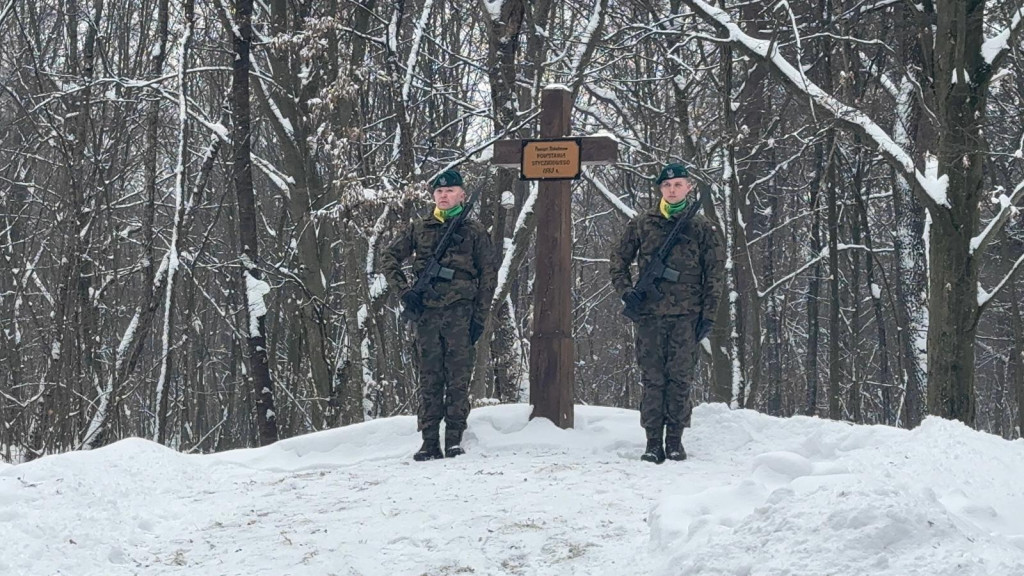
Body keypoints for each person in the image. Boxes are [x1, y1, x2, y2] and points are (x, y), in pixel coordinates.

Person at [609, 162, 726, 463]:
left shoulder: (702, 227)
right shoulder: (642, 223)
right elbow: (618, 261)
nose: (672, 190)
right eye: (666, 185)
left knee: (680, 379)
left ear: (688, 188)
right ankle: (652, 442)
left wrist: (708, 316)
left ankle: (674, 440)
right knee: (653, 380)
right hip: (649, 316)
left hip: (687, 316)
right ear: (660, 189)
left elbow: (714, 275)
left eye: (678, 185)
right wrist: (626, 292)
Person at [381, 169, 497, 461]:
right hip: (428, 315)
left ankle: (454, 439)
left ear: (462, 195)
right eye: (439, 192)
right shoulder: (419, 228)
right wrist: (404, 292)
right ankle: (429, 441)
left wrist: (480, 318)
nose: (444, 196)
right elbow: (389, 257)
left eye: (450, 191)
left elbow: (488, 277)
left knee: (458, 378)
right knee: (430, 378)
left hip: (461, 314)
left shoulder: (474, 231)